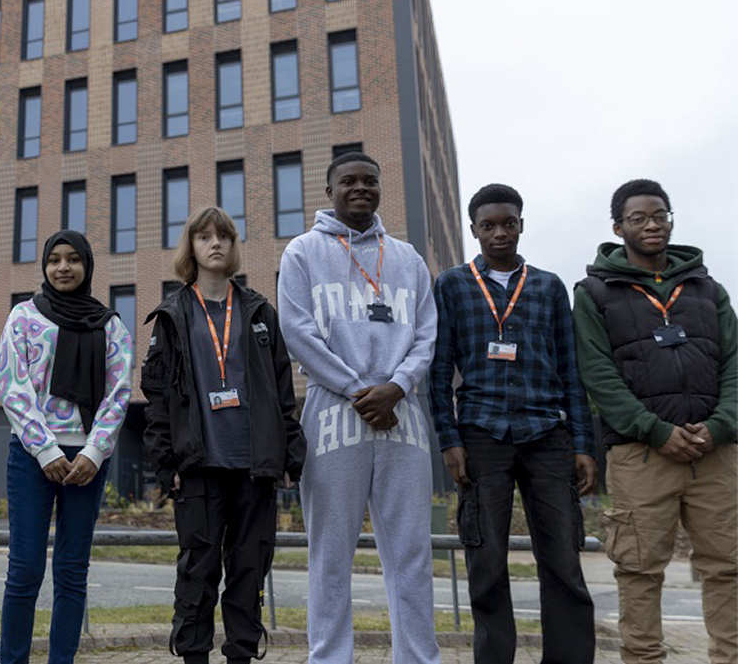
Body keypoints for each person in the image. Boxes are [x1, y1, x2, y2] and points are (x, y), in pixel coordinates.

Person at [277, 151, 440, 664]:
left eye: (370, 180)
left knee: (411, 552)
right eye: (348, 181)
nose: (360, 188)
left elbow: (427, 335)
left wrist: (397, 386)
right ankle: (329, 658)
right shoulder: (302, 253)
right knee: (330, 554)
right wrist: (356, 389)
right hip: (332, 417)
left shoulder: (409, 259)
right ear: (330, 192)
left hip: (403, 417)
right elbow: (297, 333)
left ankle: (417, 657)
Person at [429, 183, 596, 664]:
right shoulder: (453, 285)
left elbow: (571, 370)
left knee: (563, 560)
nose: (499, 233)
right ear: (474, 230)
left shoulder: (547, 286)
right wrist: (449, 438)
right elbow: (439, 371)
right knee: (485, 561)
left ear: (522, 224)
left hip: (548, 435)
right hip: (482, 436)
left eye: (508, 223)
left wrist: (582, 444)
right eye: (488, 226)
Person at [573, 179, 736, 664]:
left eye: (660, 215)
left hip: (716, 453)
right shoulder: (595, 293)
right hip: (642, 454)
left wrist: (722, 425)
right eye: (639, 218)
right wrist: (656, 430)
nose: (652, 225)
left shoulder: (709, 289)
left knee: (728, 567)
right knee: (640, 571)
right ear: (618, 227)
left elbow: (734, 364)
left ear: (671, 219)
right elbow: (597, 374)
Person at [142, 206, 305, 664]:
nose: (215, 244)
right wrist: (165, 462)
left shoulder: (257, 311)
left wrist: (290, 455)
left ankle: (240, 655)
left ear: (234, 247)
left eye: (224, 237)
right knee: (199, 570)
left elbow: (281, 389)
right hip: (199, 467)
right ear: (190, 247)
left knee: (249, 571)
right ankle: (193, 655)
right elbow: (157, 397)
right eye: (205, 237)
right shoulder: (174, 314)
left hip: (254, 467)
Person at [0, 230, 133, 664]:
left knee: (72, 572)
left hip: (87, 463)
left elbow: (119, 393)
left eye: (73, 259)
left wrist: (93, 453)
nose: (63, 267)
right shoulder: (24, 317)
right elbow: (13, 388)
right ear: (45, 265)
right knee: (24, 570)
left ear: (87, 266)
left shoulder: (110, 324)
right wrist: (46, 451)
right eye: (54, 259)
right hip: (32, 458)